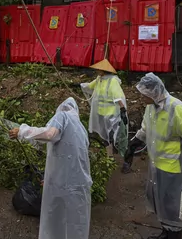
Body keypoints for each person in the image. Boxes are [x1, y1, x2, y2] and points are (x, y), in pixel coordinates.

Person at [125, 73, 182, 239]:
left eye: (144, 95)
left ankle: (175, 236)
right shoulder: (151, 108)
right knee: (161, 203)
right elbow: (145, 129)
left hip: (175, 169)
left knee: (173, 206)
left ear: (154, 93)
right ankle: (166, 232)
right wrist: (134, 143)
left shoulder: (176, 109)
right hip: (157, 166)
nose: (141, 98)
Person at [9, 97, 92, 239]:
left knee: (56, 217)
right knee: (74, 221)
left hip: (64, 185)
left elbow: (49, 134)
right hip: (79, 184)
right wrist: (49, 178)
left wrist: (22, 132)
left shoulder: (63, 116)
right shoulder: (81, 128)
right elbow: (69, 158)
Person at [80, 59, 128, 158]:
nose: (97, 71)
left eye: (99, 69)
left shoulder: (113, 80)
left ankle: (122, 155)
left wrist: (122, 109)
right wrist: (80, 85)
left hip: (112, 113)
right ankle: (109, 156)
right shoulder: (99, 79)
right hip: (101, 113)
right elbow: (90, 86)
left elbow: (118, 96)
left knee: (112, 136)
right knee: (105, 136)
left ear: (103, 70)